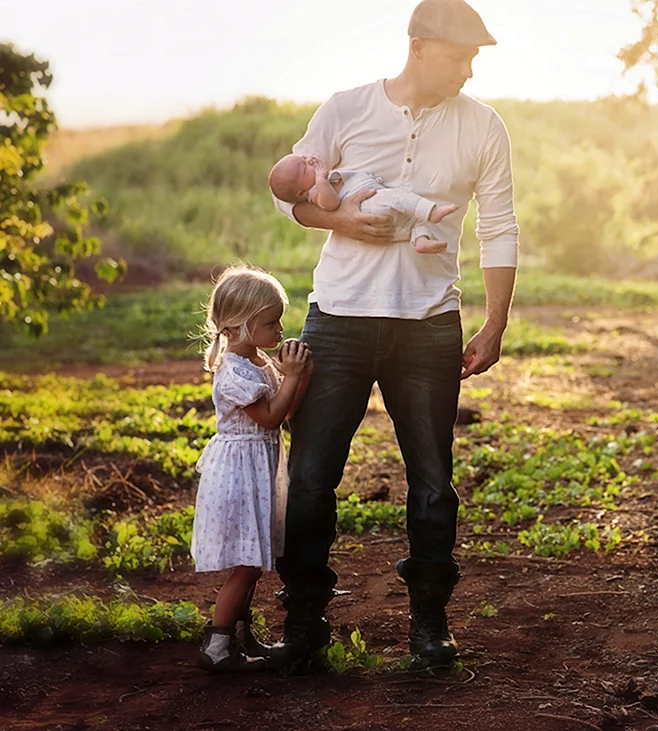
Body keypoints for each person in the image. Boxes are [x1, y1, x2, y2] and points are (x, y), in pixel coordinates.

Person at [266, 0, 518, 668]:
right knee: (314, 474)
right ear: (421, 46)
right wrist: (340, 222)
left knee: (433, 480)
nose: (469, 69)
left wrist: (495, 321)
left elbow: (499, 224)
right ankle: (304, 624)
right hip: (339, 320)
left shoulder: (484, 126)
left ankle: (430, 622)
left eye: (473, 59)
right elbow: (287, 193)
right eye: (461, 55)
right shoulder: (345, 108)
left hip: (430, 326)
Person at [191, 265, 313, 672]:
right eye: (270, 322)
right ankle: (217, 645)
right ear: (238, 327)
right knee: (244, 566)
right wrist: (291, 376)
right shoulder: (233, 372)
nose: (279, 329)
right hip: (239, 475)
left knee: (254, 561)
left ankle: (239, 637)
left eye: (279, 320)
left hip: (257, 470)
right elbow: (269, 418)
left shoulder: (259, 361)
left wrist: (299, 377)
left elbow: (287, 408)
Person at [268, 153, 459, 254]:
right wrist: (320, 178)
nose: (309, 161)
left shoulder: (315, 182)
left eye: (304, 159)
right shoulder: (315, 191)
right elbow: (331, 204)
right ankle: (431, 211)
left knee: (413, 222)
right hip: (368, 204)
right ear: (301, 192)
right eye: (304, 167)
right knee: (399, 197)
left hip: (377, 214)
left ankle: (420, 241)